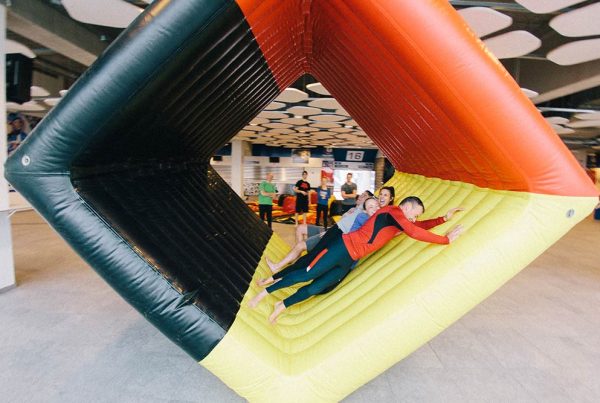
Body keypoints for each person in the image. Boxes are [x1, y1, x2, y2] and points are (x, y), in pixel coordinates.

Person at [249, 196, 465, 323]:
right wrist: (445, 240)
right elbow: (415, 231)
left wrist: (443, 219)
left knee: (317, 287)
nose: (414, 218)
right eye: (415, 214)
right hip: (342, 247)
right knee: (306, 274)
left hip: (349, 260)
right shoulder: (392, 212)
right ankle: (264, 293)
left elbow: (418, 226)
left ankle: (282, 305)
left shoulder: (400, 222)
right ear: (406, 207)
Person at [265, 190, 374, 275]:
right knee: (300, 229)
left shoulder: (361, 214)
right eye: (361, 194)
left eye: (364, 196)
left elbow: (348, 231)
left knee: (301, 246)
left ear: (368, 202)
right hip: (330, 229)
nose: (360, 196)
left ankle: (279, 266)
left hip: (332, 234)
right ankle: (296, 257)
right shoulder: (353, 209)